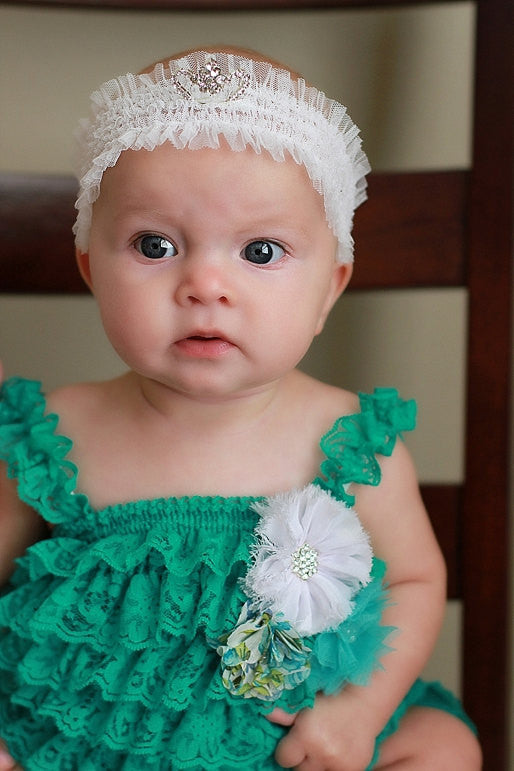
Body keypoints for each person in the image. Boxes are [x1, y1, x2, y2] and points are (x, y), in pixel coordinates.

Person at [0, 47, 481, 771]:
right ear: (92, 268)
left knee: (446, 747)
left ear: (330, 286)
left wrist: (357, 715)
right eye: (155, 245)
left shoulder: (346, 440)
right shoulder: (53, 435)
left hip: (293, 747)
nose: (205, 283)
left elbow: (416, 579)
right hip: (80, 744)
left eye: (261, 249)